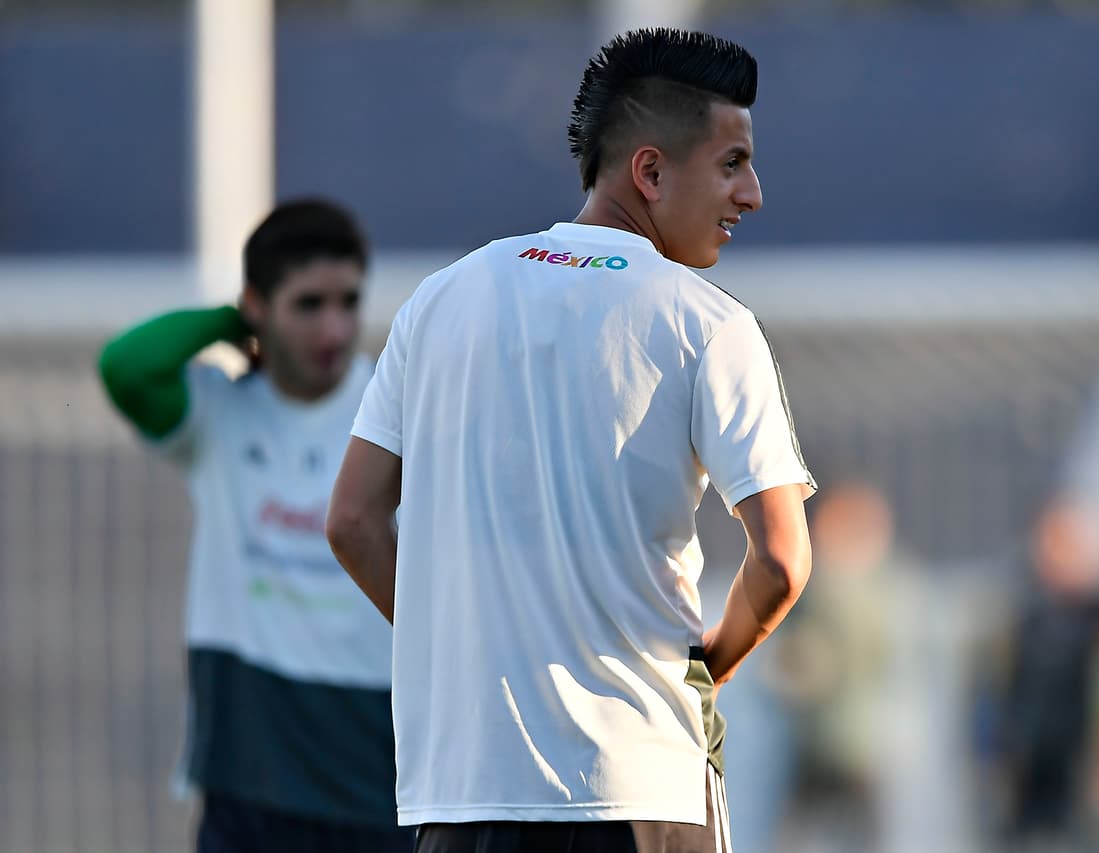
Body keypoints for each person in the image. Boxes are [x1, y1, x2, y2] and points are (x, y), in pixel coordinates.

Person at [326, 27, 816, 853]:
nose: (754, 194)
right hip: (640, 787)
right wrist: (711, 666)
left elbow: (352, 522)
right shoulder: (708, 325)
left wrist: (461, 649)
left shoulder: (440, 301)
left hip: (464, 795)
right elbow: (781, 561)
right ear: (651, 172)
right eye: (732, 163)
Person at [97, 199, 411, 852]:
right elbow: (126, 366)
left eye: (348, 301)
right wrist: (225, 321)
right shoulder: (218, 414)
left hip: (374, 796)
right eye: (308, 304)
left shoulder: (397, 412)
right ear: (258, 305)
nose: (334, 328)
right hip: (246, 792)